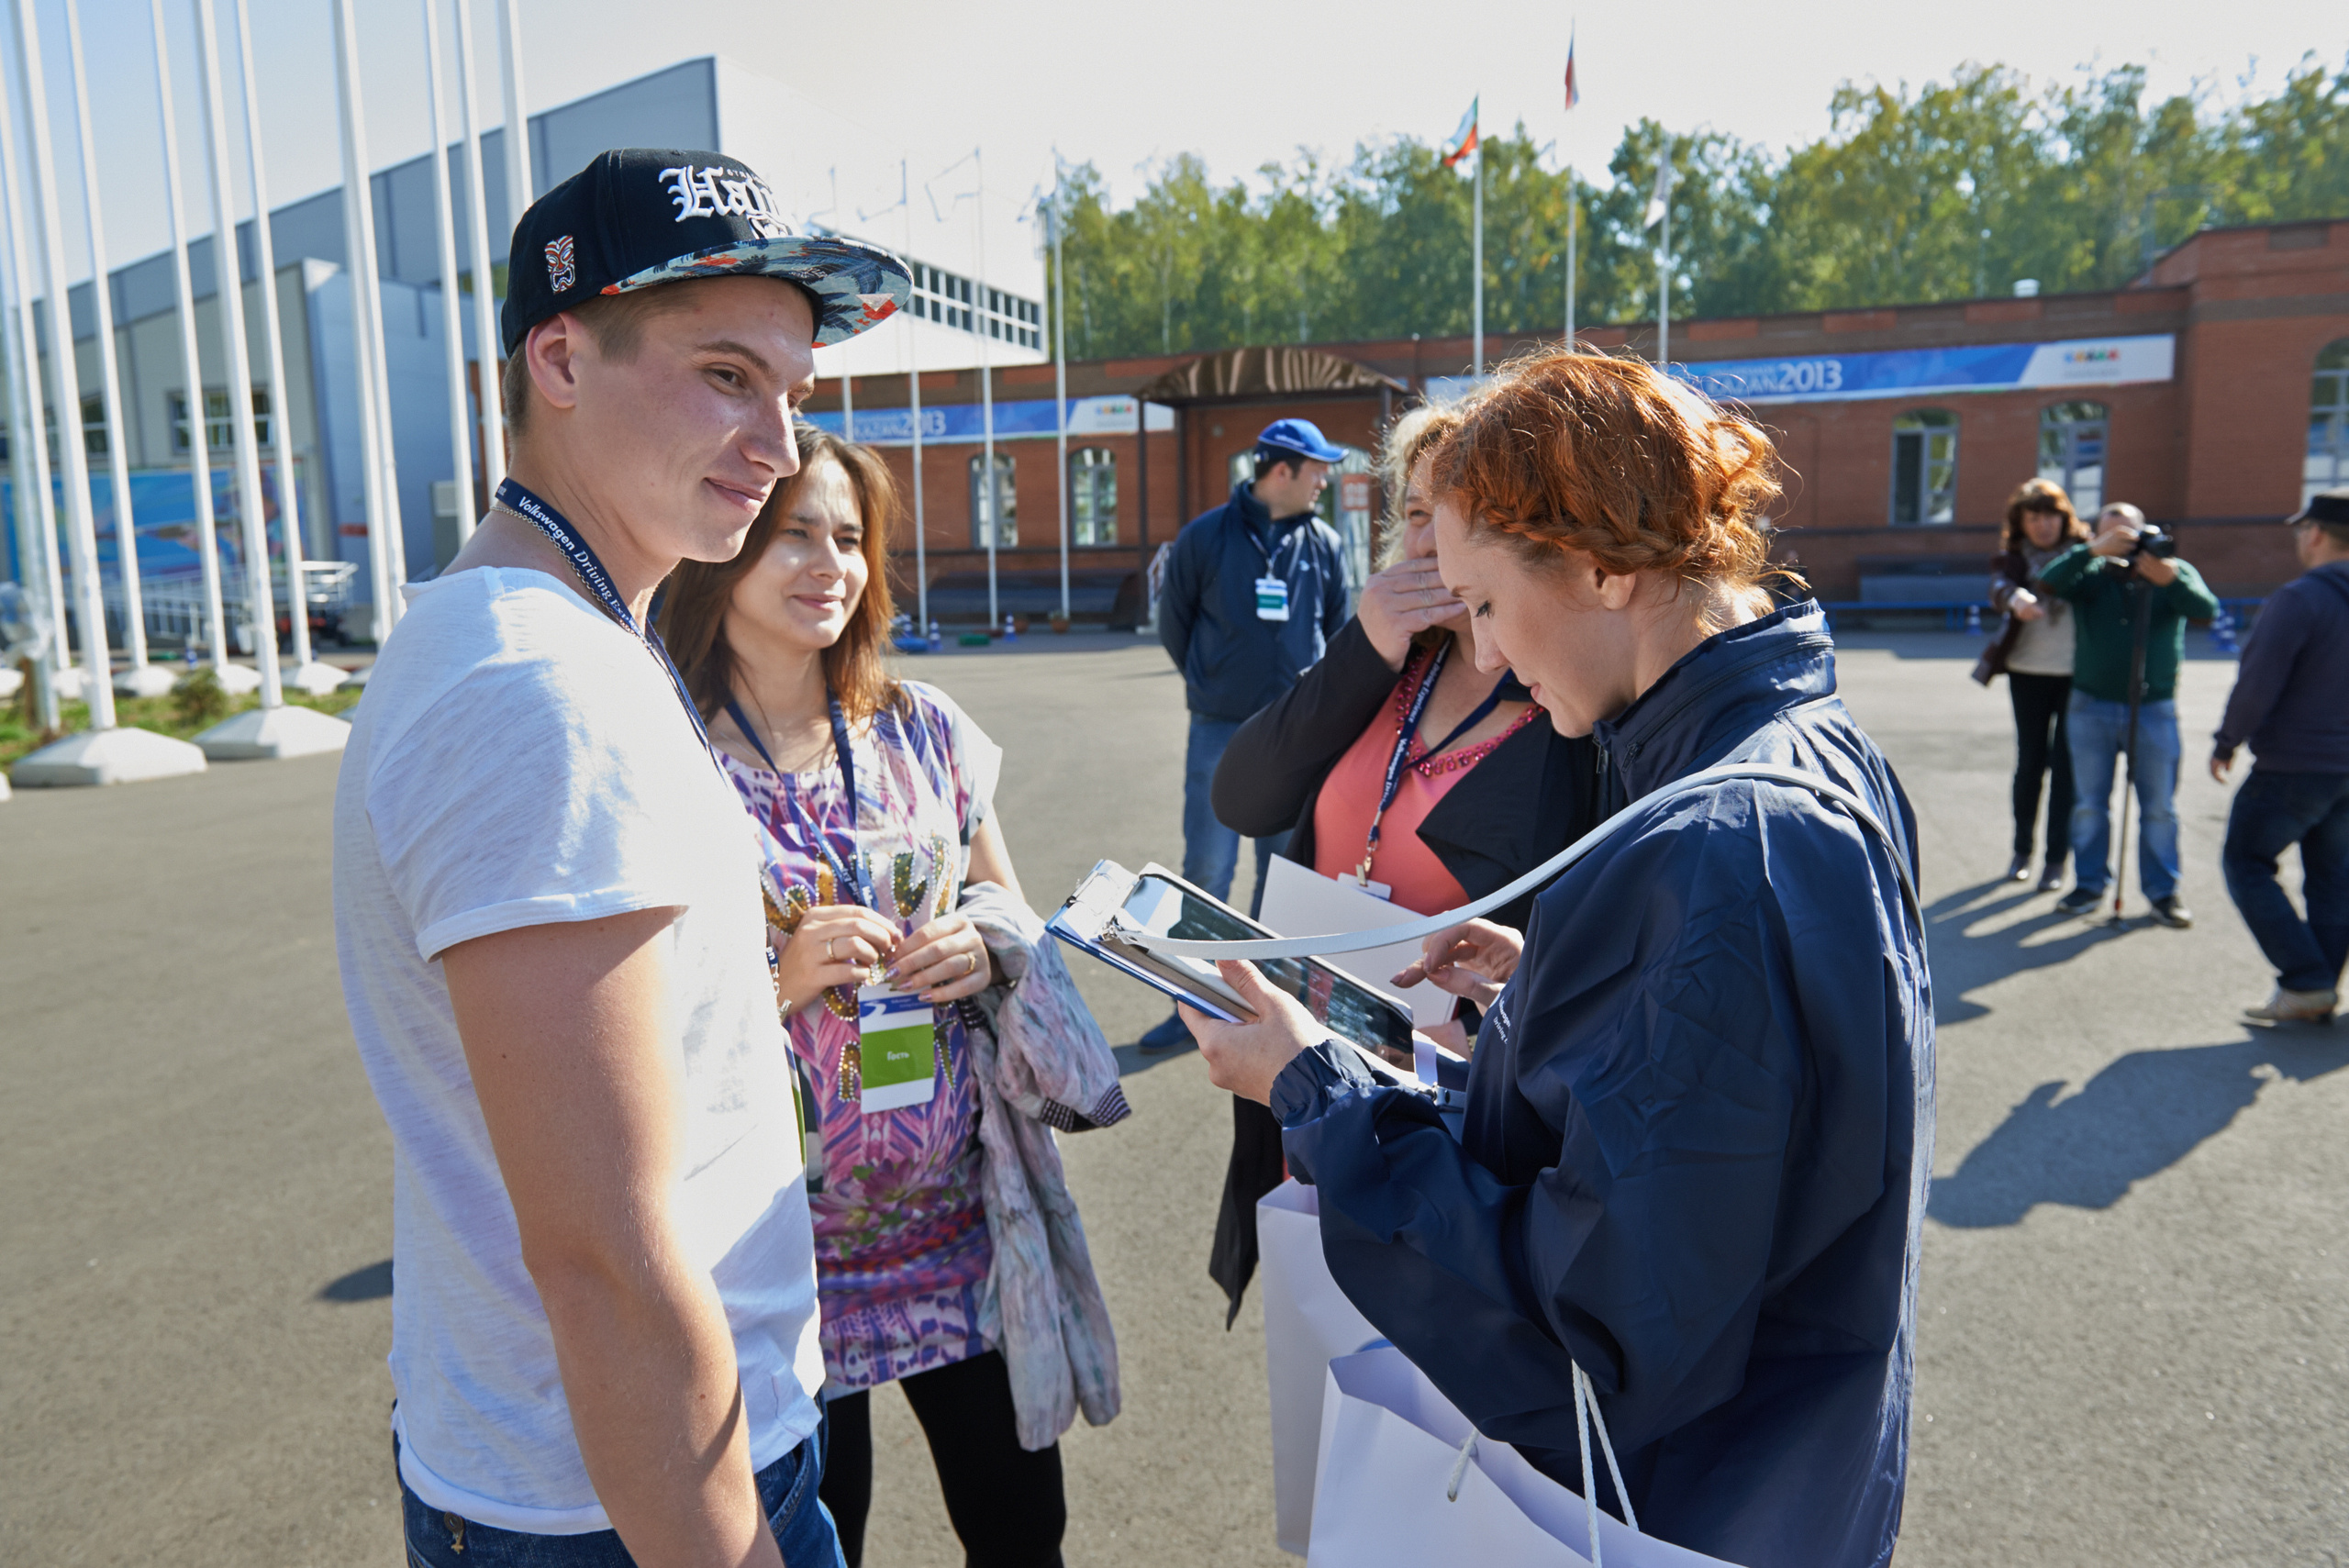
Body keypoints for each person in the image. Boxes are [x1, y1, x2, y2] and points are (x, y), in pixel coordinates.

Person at [1186, 347, 1933, 1568]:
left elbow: (1589, 1325)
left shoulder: (1709, 841)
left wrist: (1315, 1090)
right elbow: (1740, 1108)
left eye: (1484, 601)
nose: (1481, 642)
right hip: (1789, 1472)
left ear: (1597, 562)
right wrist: (1545, 1000)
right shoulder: (1800, 752)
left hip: (1676, 1504)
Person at [334, 148, 908, 1568]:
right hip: (623, 1505)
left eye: (794, 392)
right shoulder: (537, 690)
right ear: (562, 359)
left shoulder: (567, 640)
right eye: (726, 374)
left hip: (610, 1470)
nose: (777, 442)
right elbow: (603, 1255)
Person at [661, 425, 1120, 1568]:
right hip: (780, 1259)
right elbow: (630, 1021)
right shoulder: (664, 752)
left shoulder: (922, 727)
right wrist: (780, 978)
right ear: (724, 550)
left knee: (1023, 1535)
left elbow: (1013, 912)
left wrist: (985, 944)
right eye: (793, 533)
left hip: (961, 1226)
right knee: (826, 1540)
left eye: (850, 536)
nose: (830, 562)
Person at [1201, 401, 1604, 1314]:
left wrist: (1491, 1026)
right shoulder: (1394, 659)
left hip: (1450, 1090)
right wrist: (1363, 646)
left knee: (1422, 1363)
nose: (1429, 540)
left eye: (1457, 510)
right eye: (1413, 512)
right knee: (1312, 1341)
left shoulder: (1567, 697)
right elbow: (1243, 797)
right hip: (1302, 1049)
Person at [1139, 417, 1351, 1051]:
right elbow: (1173, 623)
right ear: (1279, 471)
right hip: (1220, 728)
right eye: (1316, 469)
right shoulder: (1205, 538)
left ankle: (1261, 1005)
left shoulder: (1325, 544)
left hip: (1296, 735)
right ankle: (1189, 1006)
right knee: (1207, 865)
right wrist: (1212, 685)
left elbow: (1339, 633)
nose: (1325, 480)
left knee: (1280, 875)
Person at [2038, 502, 2221, 924]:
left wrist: (2169, 580)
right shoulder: (2089, 573)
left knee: (2159, 807)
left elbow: (2206, 610)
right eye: (2113, 536)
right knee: (2089, 804)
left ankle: (2163, 893)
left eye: (2131, 536)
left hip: (2153, 707)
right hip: (2090, 705)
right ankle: (2088, 885)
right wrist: (2091, 553)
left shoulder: (2171, 569)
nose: (2125, 547)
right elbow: (2047, 583)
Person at [2210, 486, 2349, 1024]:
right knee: (2333, 878)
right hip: (2343, 769)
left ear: (2315, 534)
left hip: (2294, 765)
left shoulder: (2300, 599)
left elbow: (2257, 683)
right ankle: (2317, 989)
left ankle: (2307, 980)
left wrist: (2227, 741)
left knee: (2246, 863)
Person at [1986, 479, 2088, 890]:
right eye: (2034, 517)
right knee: (2030, 763)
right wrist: (2015, 599)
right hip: (2028, 671)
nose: (2044, 525)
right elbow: (1999, 588)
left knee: (2066, 767)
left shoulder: (2086, 555)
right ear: (2021, 523)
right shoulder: (2012, 559)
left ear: (2065, 518)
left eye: (2051, 516)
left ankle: (2056, 859)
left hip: (2077, 674)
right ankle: (2021, 849)